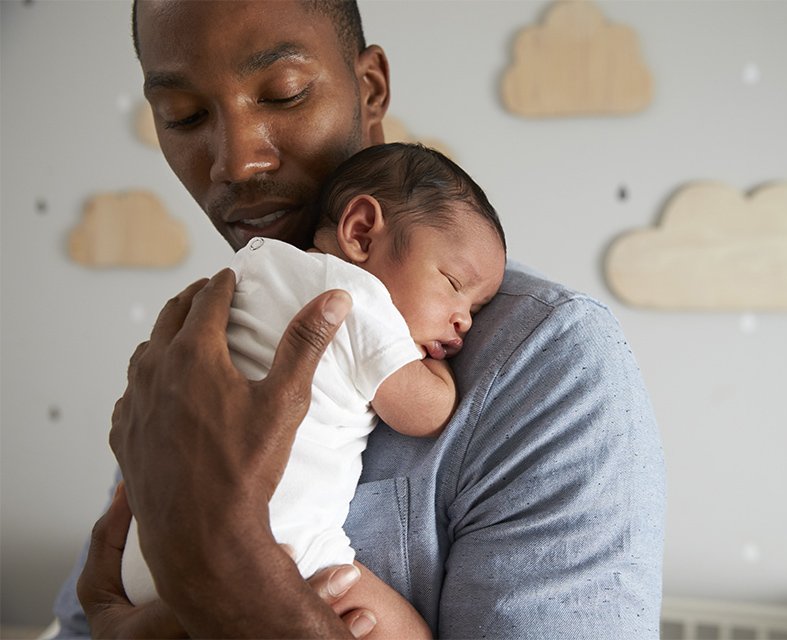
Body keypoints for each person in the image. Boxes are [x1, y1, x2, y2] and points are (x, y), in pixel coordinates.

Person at [53, 1, 666, 638]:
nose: (236, 162)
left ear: (368, 89)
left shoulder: (549, 365)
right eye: (184, 115)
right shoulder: (197, 344)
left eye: (284, 95)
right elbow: (88, 615)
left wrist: (235, 574)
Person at [119, 142, 506, 636]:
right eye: (454, 283)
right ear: (361, 231)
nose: (464, 321)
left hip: (147, 557)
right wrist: (439, 372)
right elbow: (425, 412)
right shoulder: (359, 299)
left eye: (476, 308)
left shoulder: (252, 268)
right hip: (281, 550)